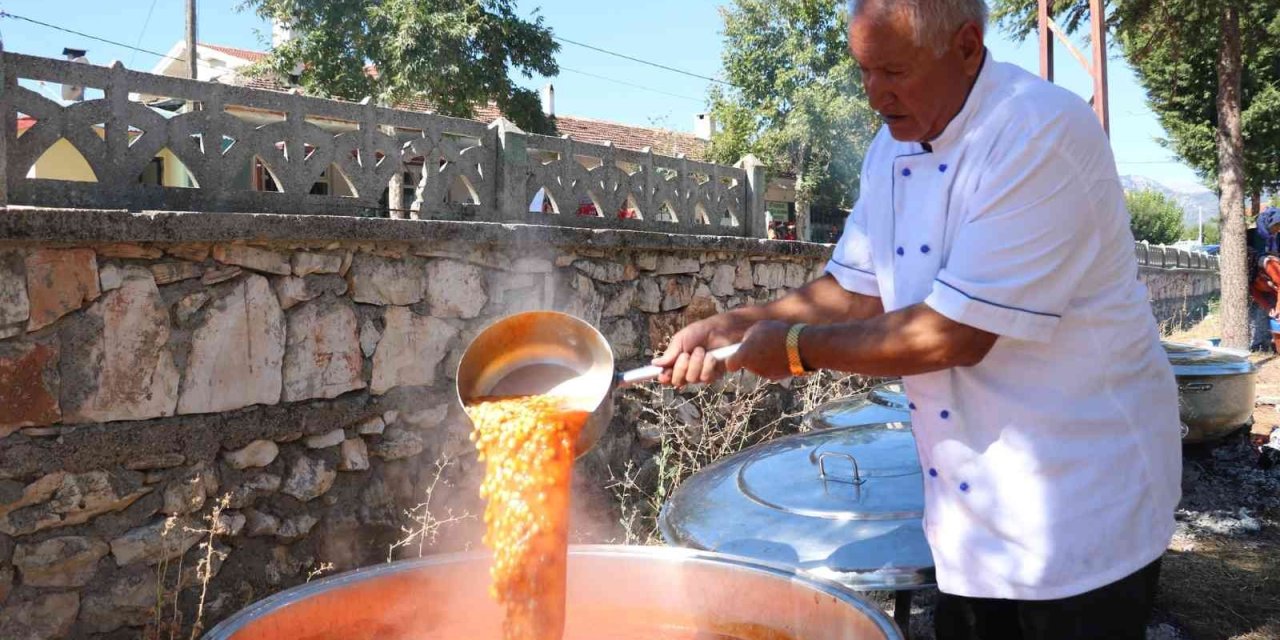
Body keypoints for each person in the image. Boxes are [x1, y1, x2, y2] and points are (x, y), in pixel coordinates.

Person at [651, 1, 1181, 638]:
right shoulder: (891, 147)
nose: (875, 94)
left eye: (893, 70)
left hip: (1077, 501)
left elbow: (953, 333)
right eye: (865, 72)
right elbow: (853, 290)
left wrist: (792, 349)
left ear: (964, 46)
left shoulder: (1039, 131)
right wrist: (735, 324)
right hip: (971, 514)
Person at [1249, 207, 1280, 350]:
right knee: (1261, 315)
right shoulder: (1252, 236)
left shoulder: (1276, 238)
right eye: (1276, 225)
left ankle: (1271, 343)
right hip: (1263, 276)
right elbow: (1254, 292)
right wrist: (1269, 308)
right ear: (1269, 222)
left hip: (1272, 278)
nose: (1278, 229)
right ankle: (1259, 344)